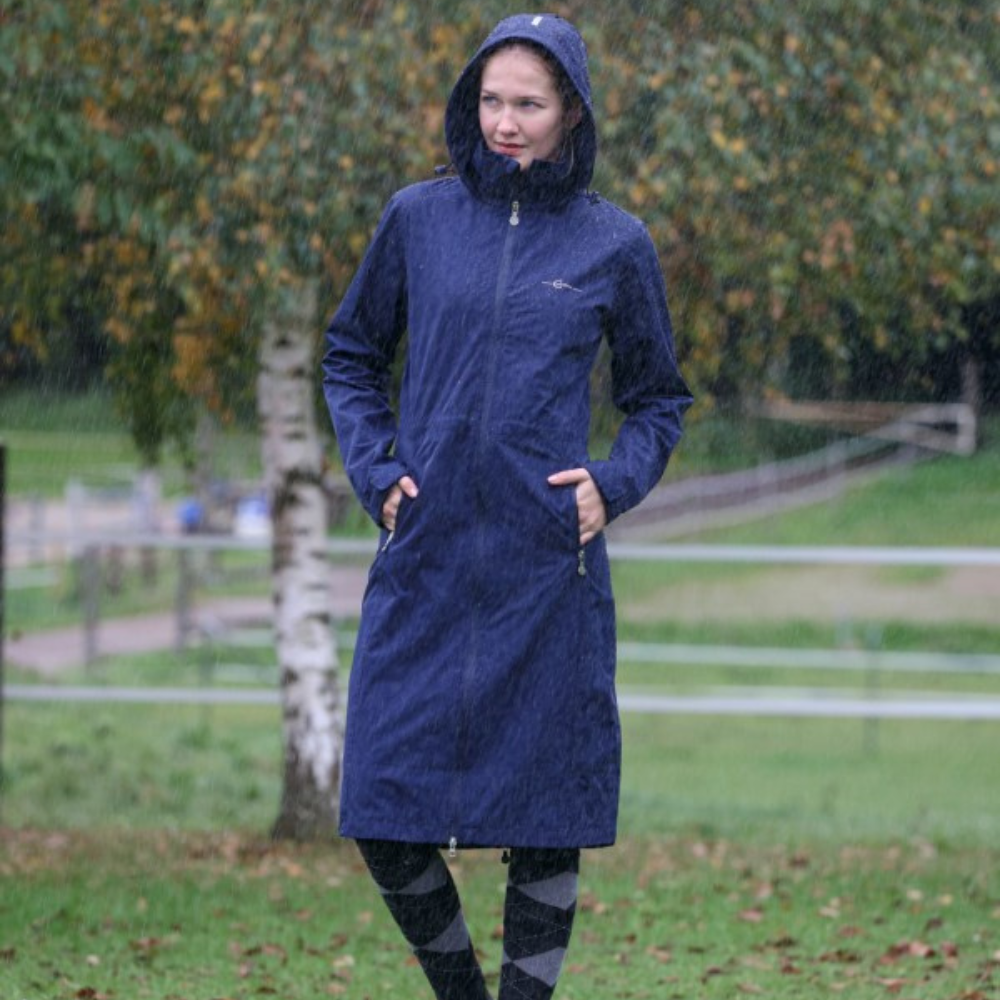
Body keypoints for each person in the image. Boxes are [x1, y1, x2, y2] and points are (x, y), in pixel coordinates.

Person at [322, 13, 692, 999]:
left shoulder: (615, 244)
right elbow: (350, 356)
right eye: (490, 100)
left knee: (546, 819)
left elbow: (659, 399)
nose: (505, 122)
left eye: (528, 103)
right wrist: (376, 470)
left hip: (547, 574)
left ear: (571, 111)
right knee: (382, 809)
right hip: (425, 560)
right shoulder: (417, 220)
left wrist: (612, 483)